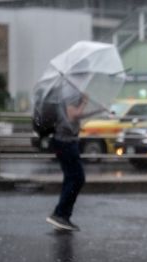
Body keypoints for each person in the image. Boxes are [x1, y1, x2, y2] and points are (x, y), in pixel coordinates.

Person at [45, 79, 92, 231]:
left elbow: (73, 116)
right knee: (78, 178)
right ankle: (60, 214)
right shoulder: (72, 92)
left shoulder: (66, 90)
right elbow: (73, 116)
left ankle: (62, 215)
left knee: (70, 178)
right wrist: (84, 101)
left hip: (62, 140)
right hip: (66, 142)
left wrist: (97, 110)